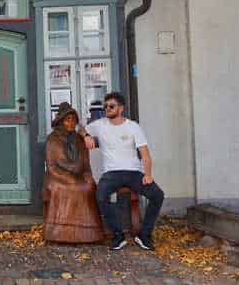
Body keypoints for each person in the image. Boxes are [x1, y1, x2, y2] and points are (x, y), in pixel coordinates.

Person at [81, 92, 164, 251]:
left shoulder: (133, 126)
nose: (107, 109)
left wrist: (147, 174)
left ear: (121, 108)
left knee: (158, 195)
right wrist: (86, 135)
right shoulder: (100, 124)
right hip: (111, 173)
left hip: (134, 172)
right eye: (105, 106)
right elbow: (80, 128)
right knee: (100, 196)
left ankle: (144, 235)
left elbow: (145, 155)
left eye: (111, 106)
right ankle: (118, 236)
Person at [42, 102, 105, 243]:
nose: (71, 123)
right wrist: (69, 178)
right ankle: (60, 232)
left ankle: (90, 233)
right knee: (69, 188)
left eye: (73, 120)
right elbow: (51, 167)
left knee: (89, 186)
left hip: (78, 176)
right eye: (67, 120)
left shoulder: (79, 139)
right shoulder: (52, 139)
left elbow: (86, 164)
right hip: (57, 178)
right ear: (61, 121)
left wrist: (88, 175)